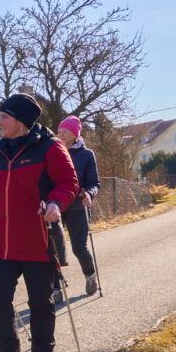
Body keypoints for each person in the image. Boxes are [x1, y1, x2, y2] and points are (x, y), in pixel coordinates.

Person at [0, 93, 78, 352]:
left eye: (4, 117)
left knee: (40, 302)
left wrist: (56, 202)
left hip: (37, 238)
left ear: (20, 121)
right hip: (0, 242)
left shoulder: (49, 148)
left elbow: (68, 182)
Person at [56, 115, 100, 296]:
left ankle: (89, 275)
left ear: (75, 134)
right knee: (53, 250)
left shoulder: (86, 155)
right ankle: (56, 287)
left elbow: (94, 183)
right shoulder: (54, 152)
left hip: (77, 206)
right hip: (56, 206)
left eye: (64, 131)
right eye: (58, 131)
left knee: (78, 247)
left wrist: (89, 195)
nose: (60, 135)